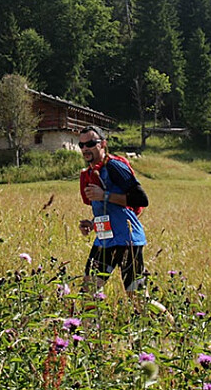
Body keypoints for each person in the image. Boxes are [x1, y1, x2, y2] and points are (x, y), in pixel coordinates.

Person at [76, 125, 147, 296]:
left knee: (138, 300)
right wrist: (92, 223)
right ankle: (90, 324)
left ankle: (167, 323)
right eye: (82, 145)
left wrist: (104, 195)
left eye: (91, 143)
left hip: (127, 240)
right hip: (104, 239)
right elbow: (109, 209)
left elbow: (141, 199)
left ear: (103, 144)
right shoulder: (91, 173)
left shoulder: (115, 166)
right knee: (88, 294)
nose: (85, 148)